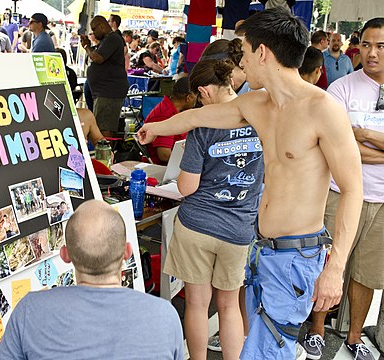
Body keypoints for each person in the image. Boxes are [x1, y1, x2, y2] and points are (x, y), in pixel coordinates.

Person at [138, 8, 363, 359]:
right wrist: (154, 128)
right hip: (259, 248)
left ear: (262, 53)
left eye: (243, 54)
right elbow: (200, 116)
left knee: (270, 351)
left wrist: (336, 268)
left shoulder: (323, 110)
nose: (240, 64)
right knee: (252, 348)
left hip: (295, 255)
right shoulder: (256, 103)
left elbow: (353, 190)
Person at [0, 200, 184, 359]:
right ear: (127, 252)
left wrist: (40, 306)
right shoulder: (165, 316)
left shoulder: (29, 311)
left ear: (65, 255)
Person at [165, 58, 264, 360]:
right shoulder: (259, 118)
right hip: (239, 228)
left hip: (197, 225)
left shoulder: (202, 126)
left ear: (205, 91)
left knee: (196, 303)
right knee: (229, 305)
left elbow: (187, 187)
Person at [302, 17, 384, 360]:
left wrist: (361, 134)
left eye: (381, 46)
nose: (372, 53)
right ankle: (317, 329)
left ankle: (353, 336)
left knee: (367, 272)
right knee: (329, 262)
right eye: (366, 45)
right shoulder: (342, 88)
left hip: (381, 201)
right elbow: (335, 145)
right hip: (339, 192)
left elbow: (350, 141)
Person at [80, 15, 129, 137]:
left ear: (101, 26)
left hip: (109, 91)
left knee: (104, 127)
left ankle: (105, 154)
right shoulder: (107, 40)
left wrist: (86, 47)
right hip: (104, 91)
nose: (94, 34)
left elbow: (98, 58)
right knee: (101, 125)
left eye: (94, 30)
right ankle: (103, 153)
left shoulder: (112, 38)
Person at [144, 77, 196, 165]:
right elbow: (164, 154)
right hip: (164, 167)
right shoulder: (164, 115)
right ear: (189, 97)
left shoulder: (173, 110)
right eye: (196, 96)